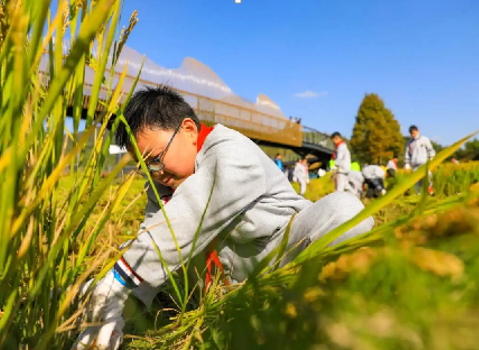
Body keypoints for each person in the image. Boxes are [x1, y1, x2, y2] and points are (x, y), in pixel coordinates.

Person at [72, 87, 374, 350]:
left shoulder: (231, 151)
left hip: (278, 256)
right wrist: (108, 318)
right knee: (140, 251)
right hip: (218, 286)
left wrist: (118, 281)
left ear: (189, 130)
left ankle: (313, 298)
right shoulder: (159, 185)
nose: (156, 172)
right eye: (144, 166)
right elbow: (153, 247)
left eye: (155, 159)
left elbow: (190, 213)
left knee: (346, 210)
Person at [404, 125, 436, 195]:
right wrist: (407, 163)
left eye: (414, 133)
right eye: (411, 133)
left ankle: (431, 193)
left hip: (424, 164)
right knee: (417, 181)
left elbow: (431, 150)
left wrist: (431, 158)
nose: (413, 135)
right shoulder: (409, 143)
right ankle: (418, 194)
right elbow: (407, 154)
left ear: (418, 131)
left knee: (428, 178)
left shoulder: (424, 139)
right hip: (414, 165)